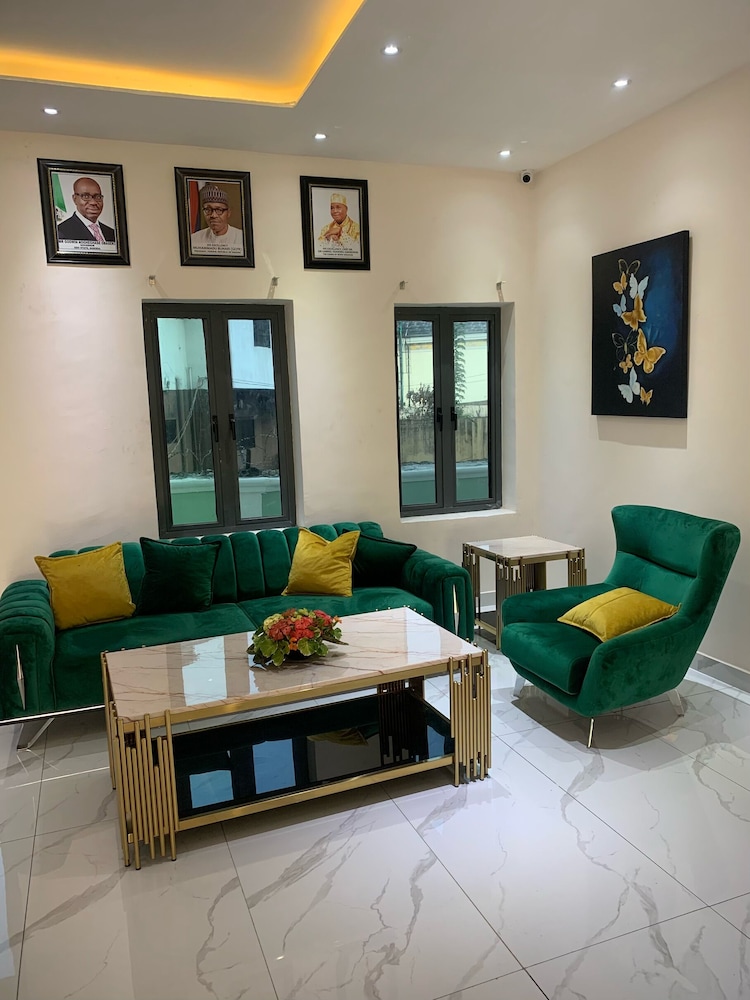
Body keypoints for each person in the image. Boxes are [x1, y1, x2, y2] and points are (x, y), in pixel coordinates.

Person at [57, 177, 116, 243]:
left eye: (98, 197)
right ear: (75, 199)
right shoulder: (61, 232)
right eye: (86, 196)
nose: (93, 202)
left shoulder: (112, 233)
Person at [190, 185, 244, 254]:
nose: (213, 215)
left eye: (219, 210)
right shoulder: (195, 239)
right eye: (208, 210)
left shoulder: (241, 238)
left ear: (228, 213)